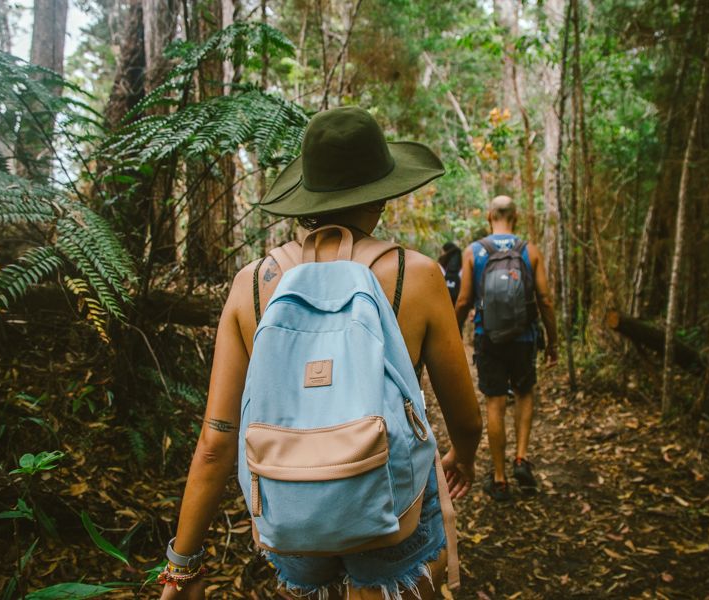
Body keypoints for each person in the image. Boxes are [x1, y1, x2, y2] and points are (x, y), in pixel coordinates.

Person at [159, 107, 482, 600]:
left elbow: (216, 441)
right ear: (383, 192)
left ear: (305, 196)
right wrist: (465, 454)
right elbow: (464, 414)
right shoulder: (416, 277)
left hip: (290, 506)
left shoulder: (250, 286)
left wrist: (181, 567)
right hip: (390, 502)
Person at [454, 195, 558, 502]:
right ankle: (521, 459)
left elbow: (463, 300)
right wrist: (552, 343)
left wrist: (453, 333)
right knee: (525, 394)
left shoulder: (474, 251)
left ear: (489, 216)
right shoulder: (530, 251)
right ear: (516, 216)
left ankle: (499, 479)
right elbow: (546, 300)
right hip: (524, 338)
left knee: (495, 403)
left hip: (489, 338)